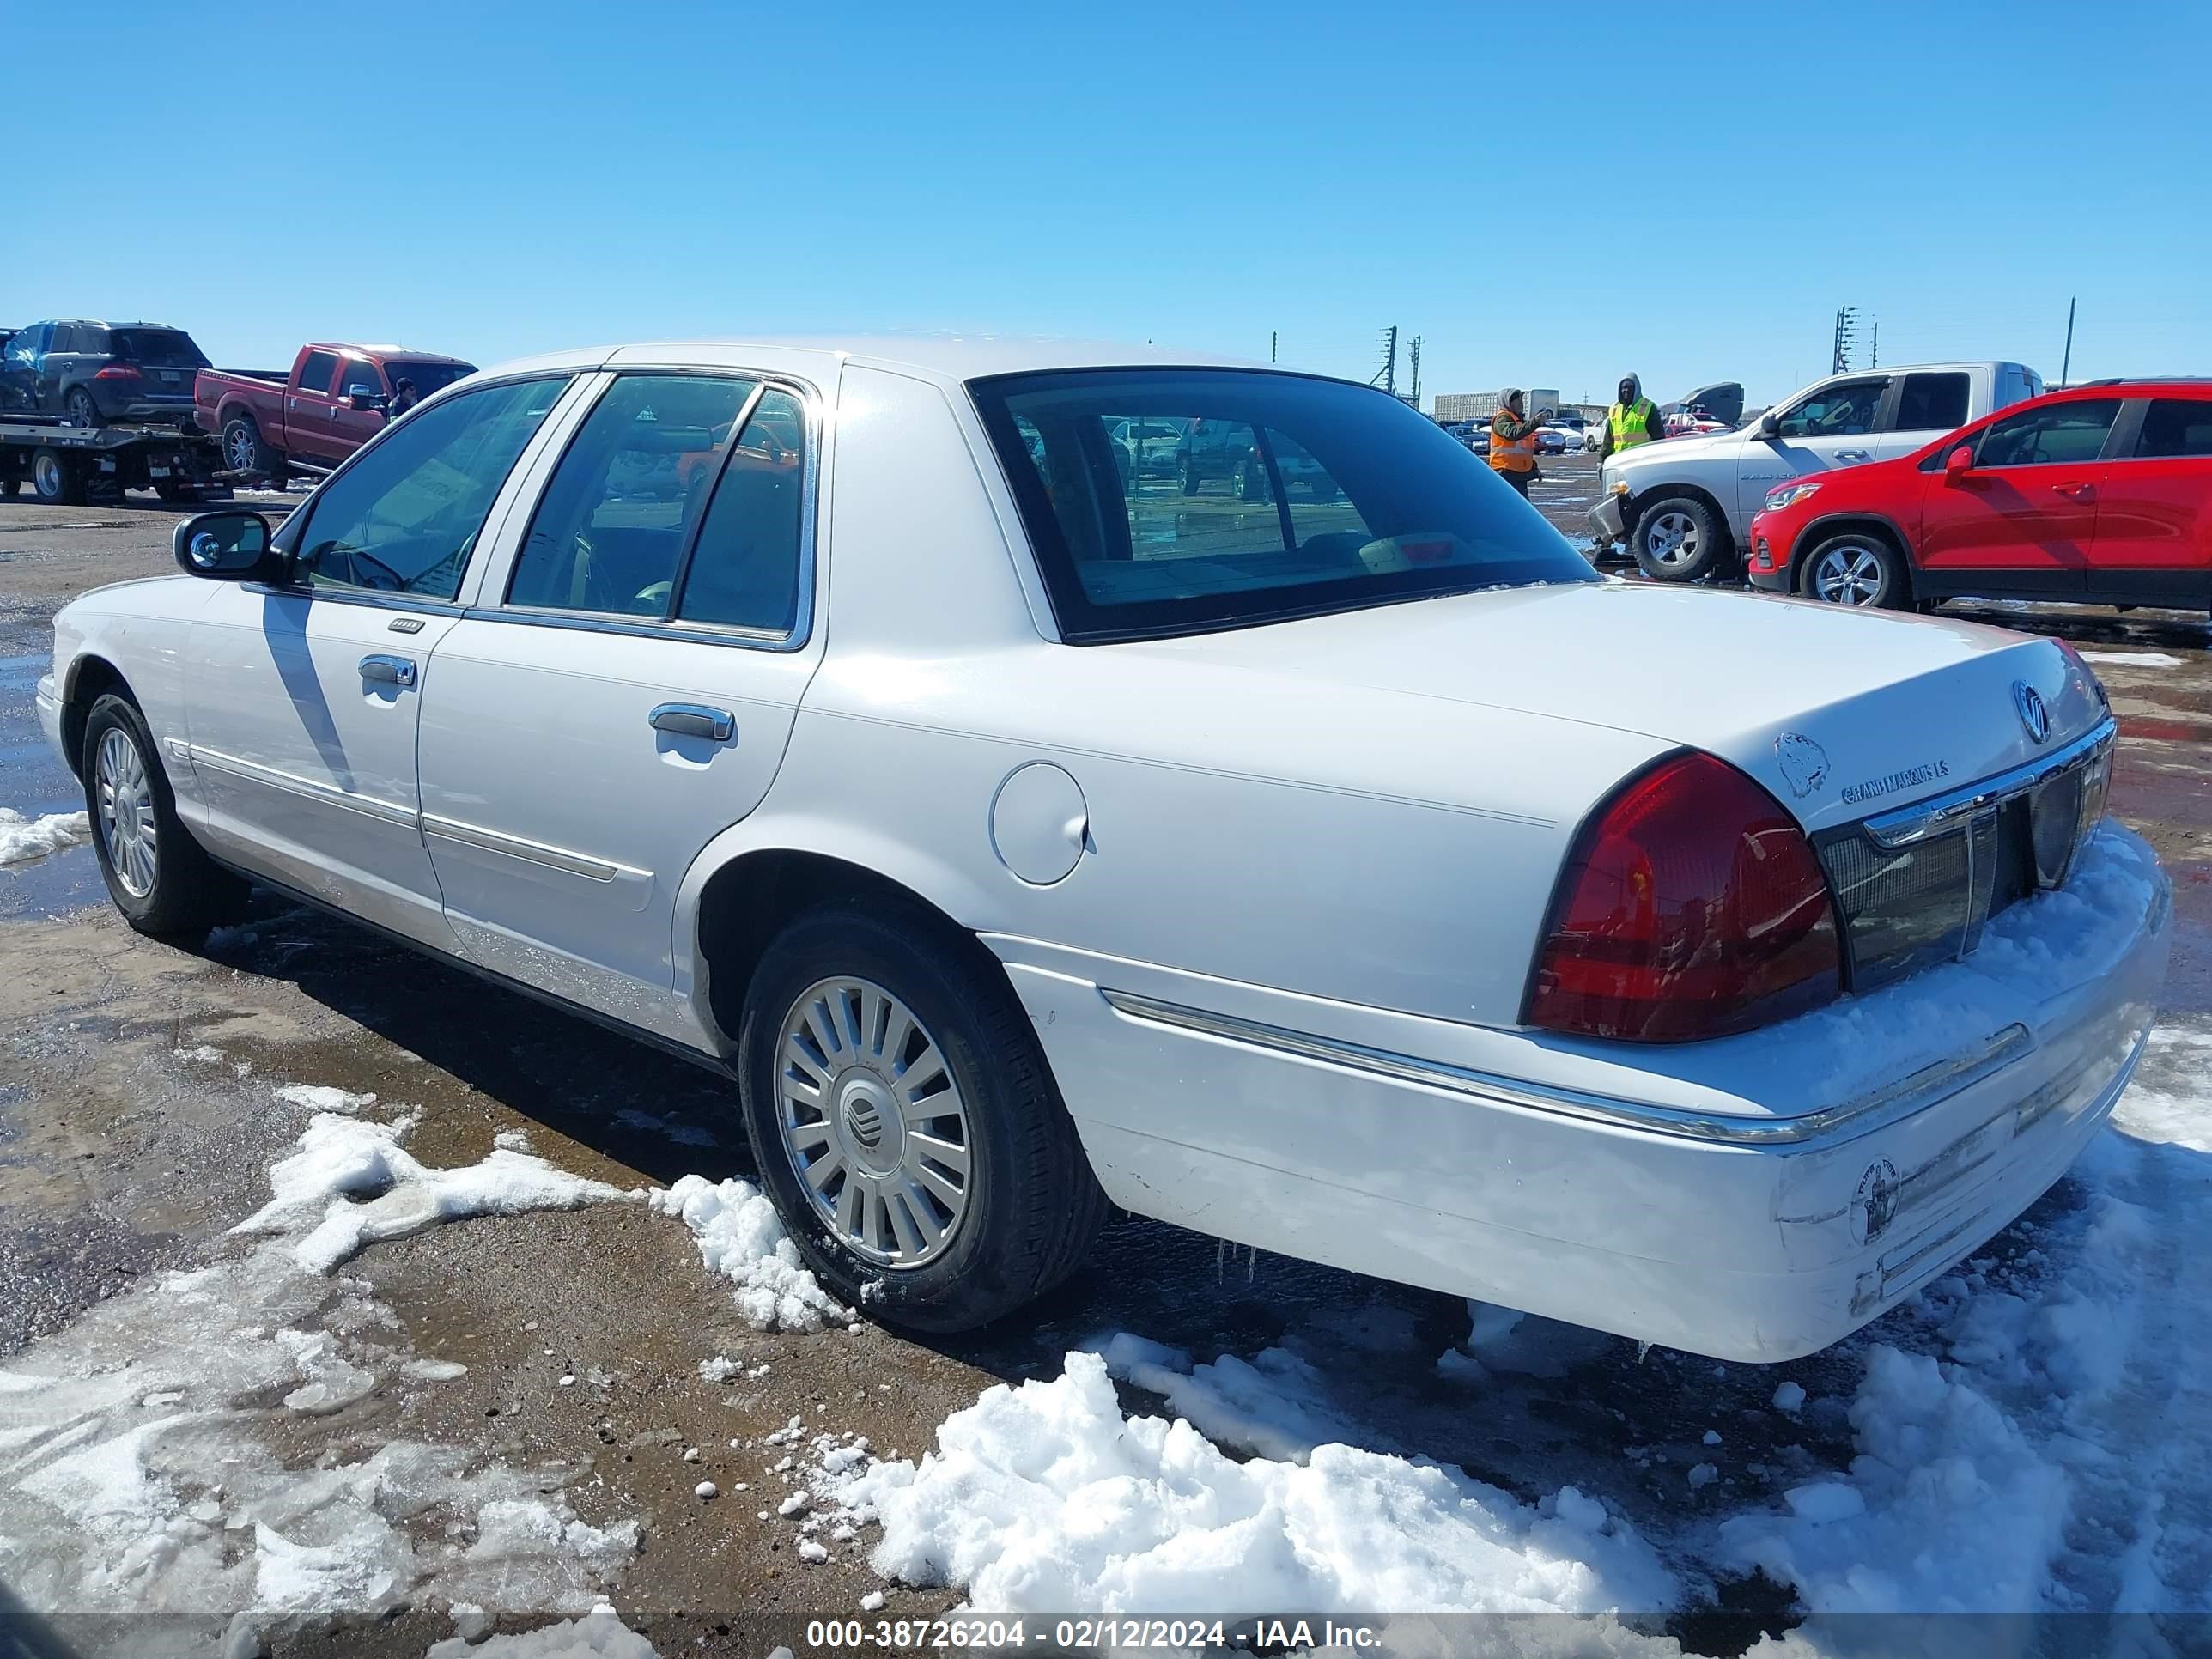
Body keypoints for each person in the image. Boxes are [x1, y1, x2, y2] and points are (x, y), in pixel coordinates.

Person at [1487, 387, 1548, 497]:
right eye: (1516, 400)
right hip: (1505, 471)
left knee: (1519, 508)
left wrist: (1533, 467)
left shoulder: (1518, 420)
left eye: (1521, 399)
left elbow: (1521, 450)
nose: (1521, 403)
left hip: (1518, 473)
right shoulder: (1502, 418)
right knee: (1512, 508)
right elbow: (1512, 433)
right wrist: (1535, 422)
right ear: (1507, 402)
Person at [1598, 374, 1659, 463]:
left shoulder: (1648, 407)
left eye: (1630, 387)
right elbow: (1608, 441)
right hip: (1618, 461)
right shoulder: (1614, 409)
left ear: (1636, 389)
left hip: (1639, 462)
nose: (1626, 390)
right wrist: (1601, 460)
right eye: (1623, 387)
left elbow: (1658, 439)